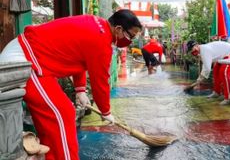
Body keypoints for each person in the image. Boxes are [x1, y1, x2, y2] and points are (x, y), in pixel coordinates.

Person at [0, 9, 142, 160]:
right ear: (118, 29)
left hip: (32, 57)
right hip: (24, 62)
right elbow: (100, 82)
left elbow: (78, 57)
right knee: (63, 114)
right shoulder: (101, 40)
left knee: (60, 114)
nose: (130, 41)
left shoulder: (97, 25)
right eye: (130, 36)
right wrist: (106, 111)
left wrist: (80, 90)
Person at [186, 40, 230, 105]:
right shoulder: (202, 51)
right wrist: (200, 79)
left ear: (197, 45)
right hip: (222, 56)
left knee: (223, 73)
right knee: (215, 71)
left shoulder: (204, 51)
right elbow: (205, 65)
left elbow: (207, 68)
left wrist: (199, 80)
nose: (192, 51)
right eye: (191, 50)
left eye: (192, 49)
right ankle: (217, 92)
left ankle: (229, 98)